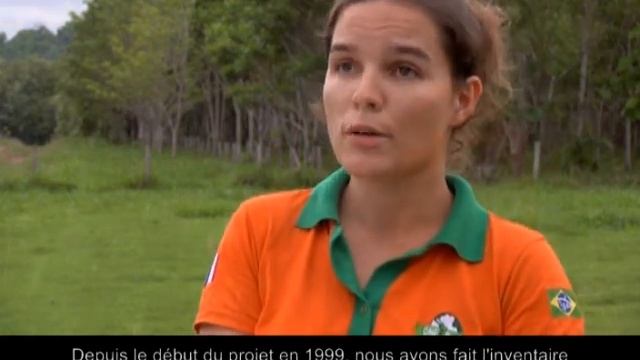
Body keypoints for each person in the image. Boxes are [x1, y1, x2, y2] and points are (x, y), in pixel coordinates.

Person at [193, 0, 585, 335]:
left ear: (463, 99)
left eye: (403, 70)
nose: (364, 95)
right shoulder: (258, 232)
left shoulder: (519, 268)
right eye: (345, 66)